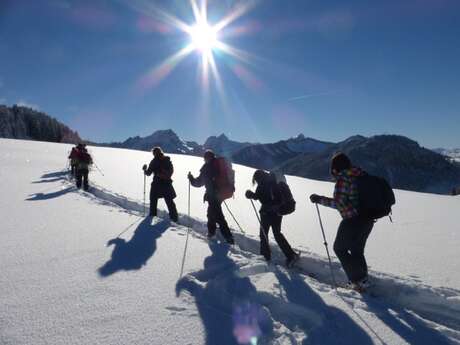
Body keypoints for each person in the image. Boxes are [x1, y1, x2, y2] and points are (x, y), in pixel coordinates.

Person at [309, 152, 374, 290]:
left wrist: (319, 199)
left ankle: (357, 280)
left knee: (339, 248)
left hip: (352, 220)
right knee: (357, 250)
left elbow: (339, 204)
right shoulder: (359, 174)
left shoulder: (343, 179)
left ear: (335, 167)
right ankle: (363, 280)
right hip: (368, 219)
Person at [245, 170, 299, 267]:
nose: (257, 182)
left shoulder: (264, 183)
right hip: (277, 213)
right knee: (277, 234)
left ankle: (265, 256)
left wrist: (251, 195)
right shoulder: (270, 181)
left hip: (268, 213)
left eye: (256, 180)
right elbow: (259, 196)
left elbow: (259, 196)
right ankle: (291, 255)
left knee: (264, 234)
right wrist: (252, 195)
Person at [187, 150, 234, 244]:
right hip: (220, 193)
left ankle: (228, 237)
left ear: (206, 158)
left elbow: (199, 183)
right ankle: (212, 233)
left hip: (213, 195)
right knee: (212, 214)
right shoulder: (220, 165)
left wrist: (191, 178)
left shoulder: (207, 167)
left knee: (218, 216)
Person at [142, 147, 178, 222]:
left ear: (154, 153)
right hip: (167, 184)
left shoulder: (154, 161)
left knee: (153, 199)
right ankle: (174, 218)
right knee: (169, 201)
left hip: (156, 184)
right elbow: (171, 172)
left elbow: (148, 173)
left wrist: (145, 169)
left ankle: (152, 214)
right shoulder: (167, 160)